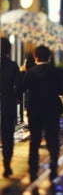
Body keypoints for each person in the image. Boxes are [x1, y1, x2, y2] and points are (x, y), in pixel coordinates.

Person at [20, 45, 63, 182]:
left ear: (35, 57)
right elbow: (61, 91)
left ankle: (33, 168)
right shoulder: (57, 72)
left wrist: (23, 72)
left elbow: (21, 89)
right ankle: (53, 167)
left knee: (35, 140)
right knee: (53, 139)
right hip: (52, 110)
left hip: (35, 110)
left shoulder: (30, 72)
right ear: (49, 57)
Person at [0, 38, 22, 178]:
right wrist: (17, 98)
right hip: (7, 103)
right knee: (8, 135)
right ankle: (7, 166)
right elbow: (19, 87)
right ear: (9, 50)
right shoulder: (13, 66)